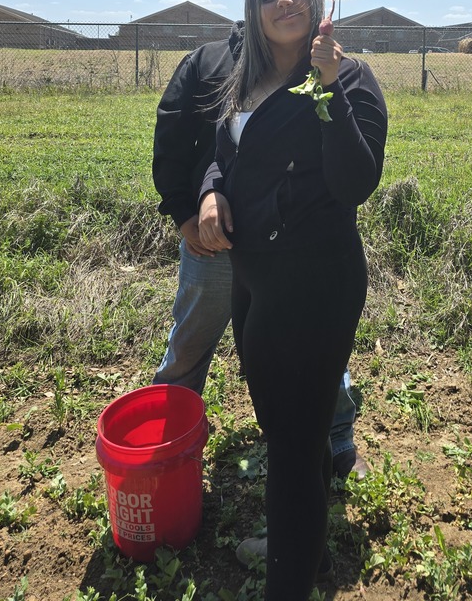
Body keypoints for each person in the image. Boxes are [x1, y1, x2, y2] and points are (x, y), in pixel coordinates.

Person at [197, 0, 387, 600]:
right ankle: (306, 547)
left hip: (313, 279)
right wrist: (211, 192)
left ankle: (292, 579)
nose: (283, 0)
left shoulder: (348, 77)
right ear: (253, 11)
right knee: (283, 427)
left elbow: (355, 184)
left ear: (315, 5)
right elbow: (225, 154)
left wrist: (330, 89)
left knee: (297, 443)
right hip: (255, 275)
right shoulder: (245, 79)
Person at [151, 25, 370, 479]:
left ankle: (336, 438)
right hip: (216, 239)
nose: (281, 6)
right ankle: (170, 434)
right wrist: (189, 208)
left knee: (319, 349)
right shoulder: (210, 62)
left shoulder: (314, 69)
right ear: (252, 6)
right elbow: (178, 137)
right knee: (192, 336)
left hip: (292, 246)